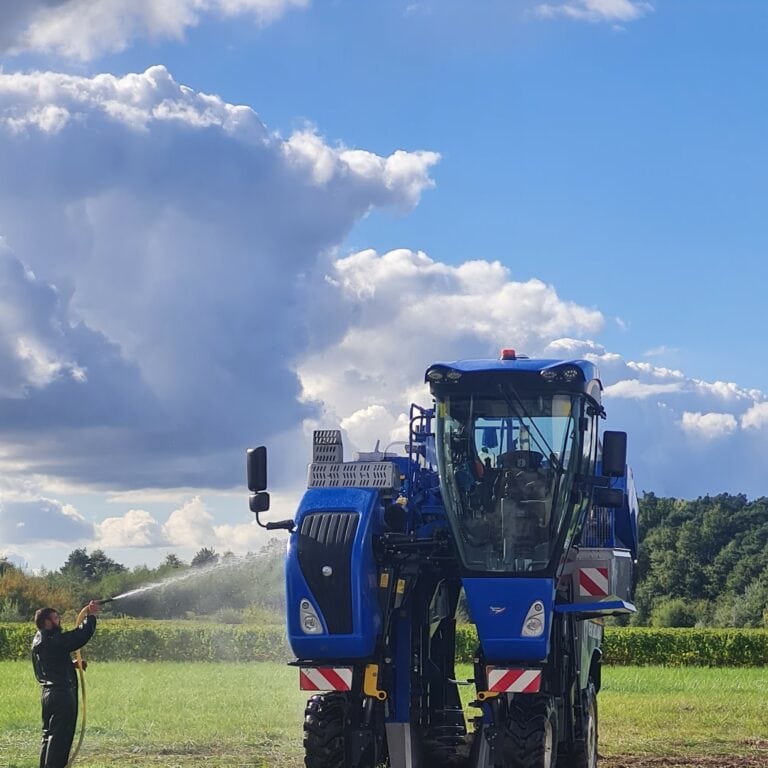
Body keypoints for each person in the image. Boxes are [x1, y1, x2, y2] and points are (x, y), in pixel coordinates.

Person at [31, 601, 101, 768]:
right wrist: (90, 616)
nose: (59, 621)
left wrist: (72, 664)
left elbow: (52, 661)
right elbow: (79, 636)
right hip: (62, 696)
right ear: (46, 622)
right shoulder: (53, 639)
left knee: (48, 736)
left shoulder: (39, 639)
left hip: (48, 696)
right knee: (60, 740)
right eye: (55, 618)